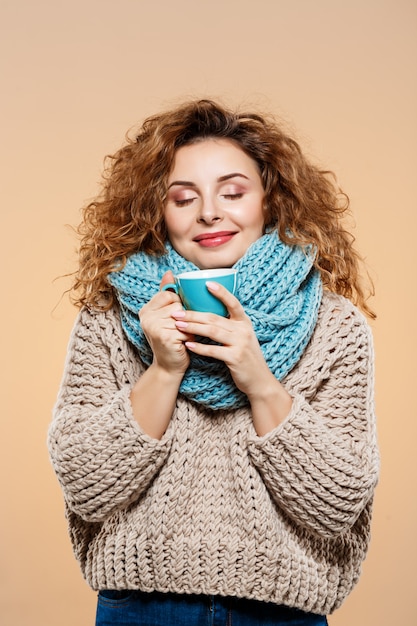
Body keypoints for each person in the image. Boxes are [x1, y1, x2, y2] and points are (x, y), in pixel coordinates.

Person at [48, 99, 379, 626]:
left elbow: (337, 504)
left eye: (233, 192)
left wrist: (259, 381)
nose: (209, 212)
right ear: (159, 212)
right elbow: (87, 486)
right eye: (183, 198)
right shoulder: (109, 318)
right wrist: (163, 368)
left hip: (281, 613)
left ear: (269, 201)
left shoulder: (335, 326)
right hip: (141, 607)